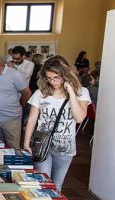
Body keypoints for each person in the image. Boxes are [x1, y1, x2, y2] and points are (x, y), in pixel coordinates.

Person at [24, 56, 90, 191]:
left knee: (56, 187)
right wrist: (26, 144)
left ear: (65, 74)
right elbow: (32, 119)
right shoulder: (40, 93)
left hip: (65, 147)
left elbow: (79, 118)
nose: (52, 81)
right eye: (49, 78)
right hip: (42, 144)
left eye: (56, 77)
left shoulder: (81, 92)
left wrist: (71, 92)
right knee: (43, 185)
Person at [0, 51, 31, 149]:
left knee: (12, 148)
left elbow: (26, 93)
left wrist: (21, 106)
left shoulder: (14, 75)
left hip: (11, 120)